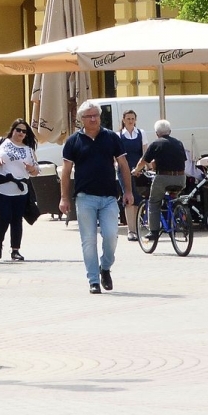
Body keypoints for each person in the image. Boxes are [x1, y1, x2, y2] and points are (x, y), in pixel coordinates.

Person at [60, 100, 133, 294]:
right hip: (85, 198)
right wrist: (64, 198)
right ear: (81, 119)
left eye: (96, 115)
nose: (93, 119)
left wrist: (128, 191)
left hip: (109, 196)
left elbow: (124, 165)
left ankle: (105, 268)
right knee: (88, 240)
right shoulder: (73, 141)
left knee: (111, 237)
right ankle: (93, 279)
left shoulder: (111, 137)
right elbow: (66, 172)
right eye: (89, 116)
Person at [0, 119, 40, 261]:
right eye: (18, 130)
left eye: (24, 131)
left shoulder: (28, 149)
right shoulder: (1, 142)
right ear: (13, 130)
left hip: (21, 189)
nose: (21, 133)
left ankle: (15, 250)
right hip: (0, 187)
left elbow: (36, 170)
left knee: (17, 220)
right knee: (4, 217)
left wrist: (31, 169)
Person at [132, 119, 187, 238]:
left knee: (154, 202)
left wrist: (136, 171)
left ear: (157, 133)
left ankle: (154, 231)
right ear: (170, 131)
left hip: (163, 178)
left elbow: (143, 161)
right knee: (173, 197)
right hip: (181, 178)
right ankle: (179, 215)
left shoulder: (156, 144)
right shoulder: (178, 143)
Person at [116, 108, 147, 241]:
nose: (130, 121)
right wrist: (116, 165)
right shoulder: (118, 135)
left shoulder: (141, 133)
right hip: (124, 169)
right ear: (123, 120)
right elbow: (115, 154)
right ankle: (131, 230)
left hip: (138, 169)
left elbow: (145, 152)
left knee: (138, 197)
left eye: (132, 119)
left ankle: (137, 228)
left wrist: (144, 167)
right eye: (128, 119)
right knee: (128, 197)